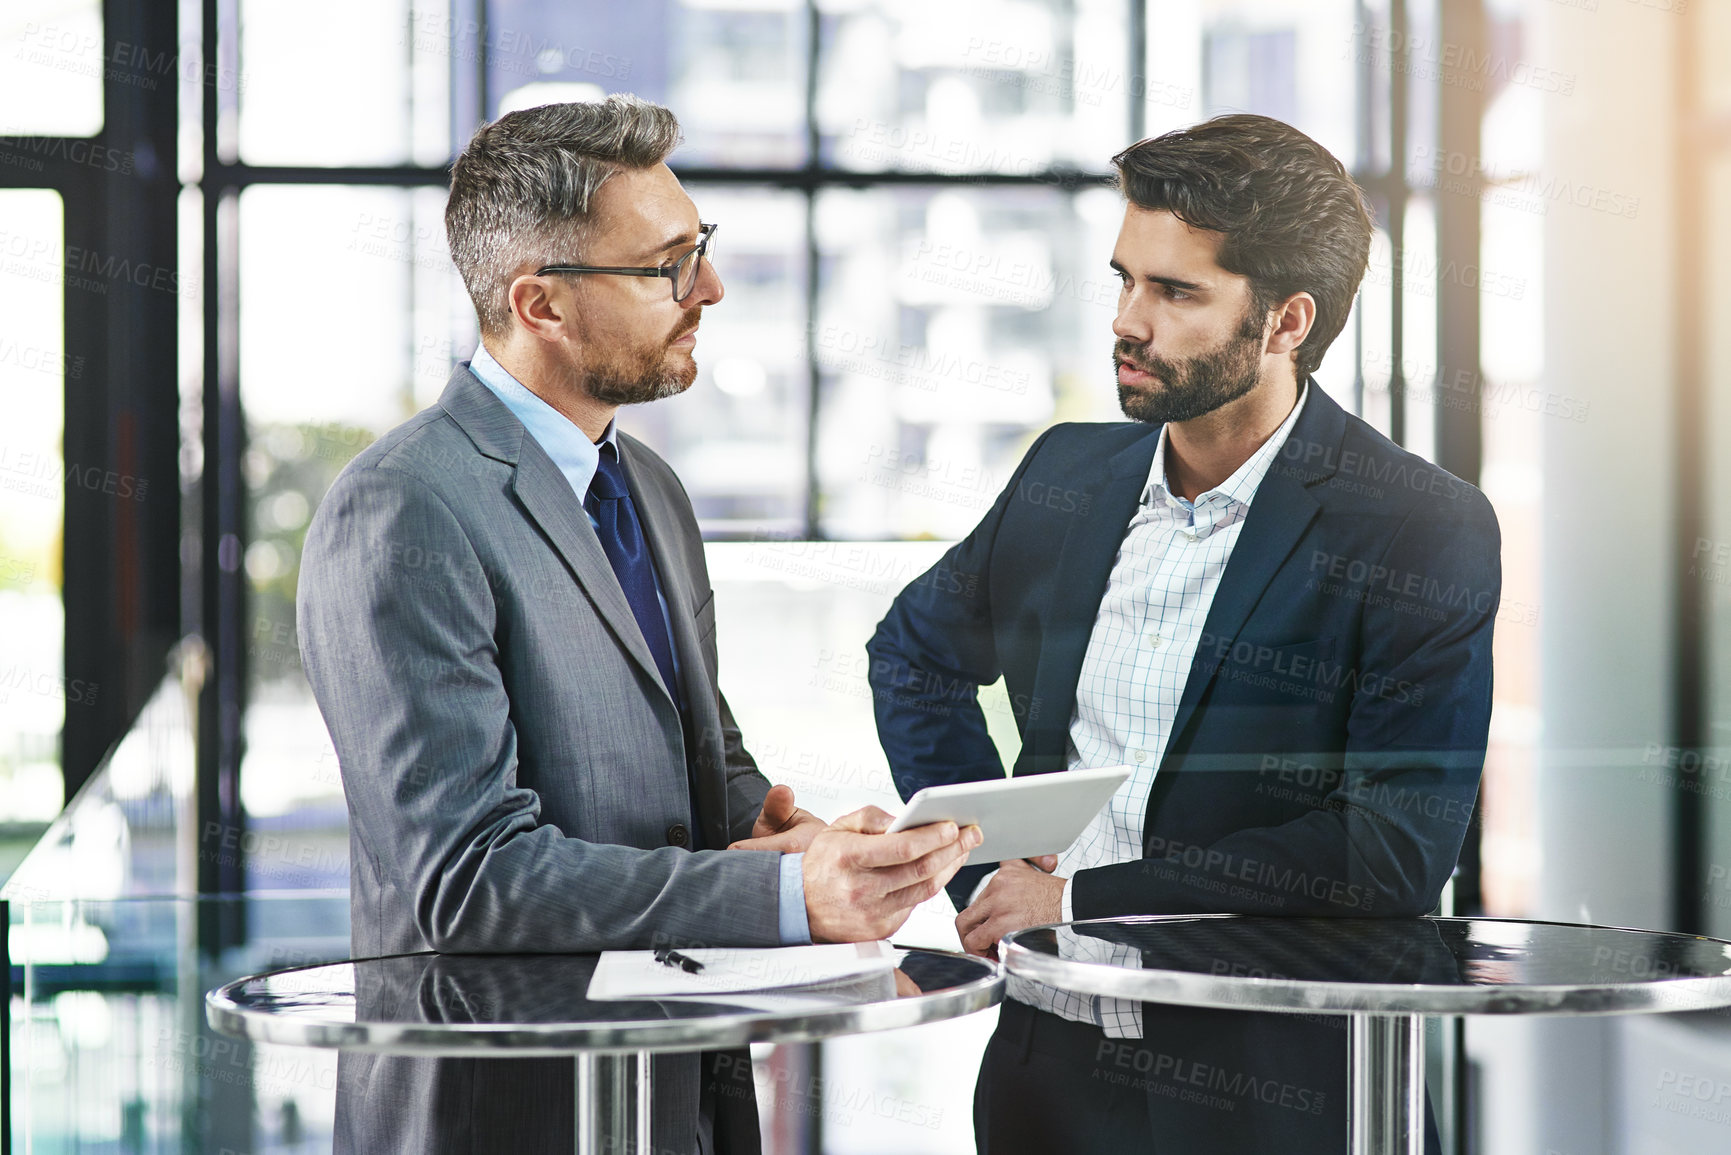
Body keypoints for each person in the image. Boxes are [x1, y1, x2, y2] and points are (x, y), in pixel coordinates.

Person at [298, 95, 978, 1155]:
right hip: (506, 1113)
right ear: (543, 305)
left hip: (676, 1093)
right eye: (665, 266)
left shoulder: (648, 485)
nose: (706, 289)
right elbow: (468, 881)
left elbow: (704, 754)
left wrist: (783, 832)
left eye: (699, 250)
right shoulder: (401, 509)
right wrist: (782, 893)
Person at [866, 114, 1499, 1154]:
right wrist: (987, 870)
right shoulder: (1066, 475)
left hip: (1276, 1086)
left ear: (1287, 323)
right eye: (1125, 280)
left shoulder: (1417, 524)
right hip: (1050, 1070)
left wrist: (1084, 899)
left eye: (1175, 293)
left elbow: (1390, 846)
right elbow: (915, 655)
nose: (1128, 320)